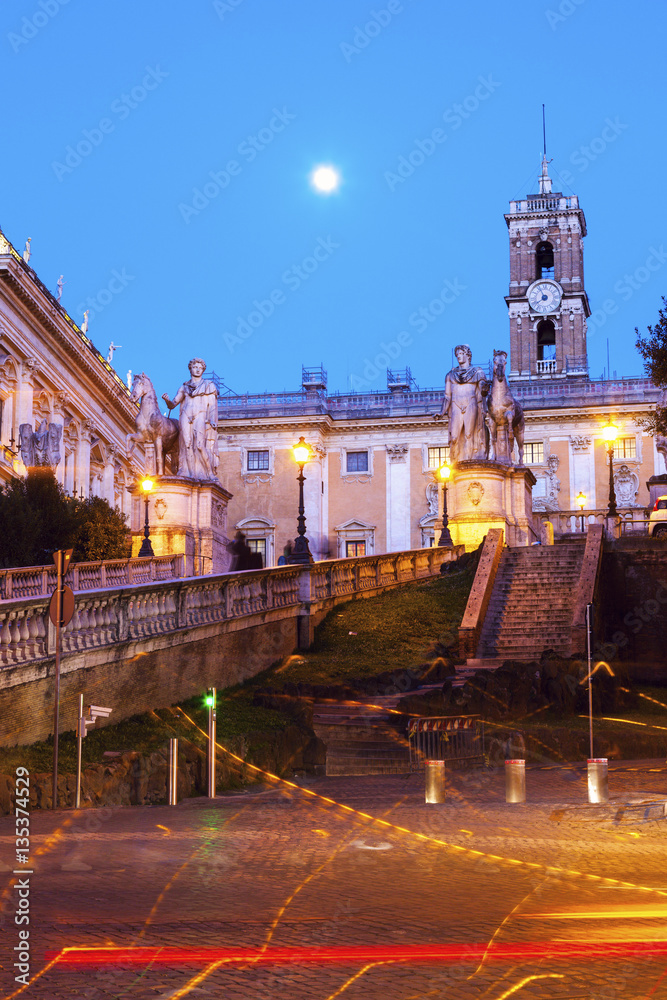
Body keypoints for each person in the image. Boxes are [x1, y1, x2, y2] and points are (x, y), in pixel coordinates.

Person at [162, 358, 219, 480]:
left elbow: (212, 405)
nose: (198, 369)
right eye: (195, 367)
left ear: (203, 370)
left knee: (199, 445)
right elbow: (173, 404)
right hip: (185, 415)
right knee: (186, 444)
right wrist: (167, 400)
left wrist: (212, 420)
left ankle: (209, 473)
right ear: (190, 369)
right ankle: (191, 474)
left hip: (200, 415)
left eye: (200, 367)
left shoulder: (208, 385)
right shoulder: (184, 387)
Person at [437, 344, 489, 462]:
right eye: (457, 355)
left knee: (469, 435)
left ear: (468, 355)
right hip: (456, 405)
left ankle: (470, 461)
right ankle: (455, 463)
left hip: (471, 404)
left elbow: (482, 389)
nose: (459, 357)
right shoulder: (450, 375)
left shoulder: (477, 372)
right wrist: (441, 412)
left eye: (461, 354)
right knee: (454, 437)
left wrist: (485, 388)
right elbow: (447, 396)